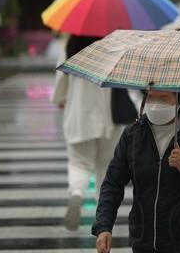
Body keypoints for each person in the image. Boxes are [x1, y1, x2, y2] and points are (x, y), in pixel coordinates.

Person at [93, 90, 180, 253]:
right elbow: (113, 184)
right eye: (150, 96)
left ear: (178, 99)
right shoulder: (132, 135)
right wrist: (104, 226)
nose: (155, 103)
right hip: (143, 240)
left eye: (163, 97)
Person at [52, 35, 137, 231]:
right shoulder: (114, 45)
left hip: (79, 115)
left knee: (79, 162)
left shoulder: (71, 46)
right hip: (109, 117)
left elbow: (60, 81)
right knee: (105, 166)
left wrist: (60, 98)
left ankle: (77, 193)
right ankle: (102, 213)